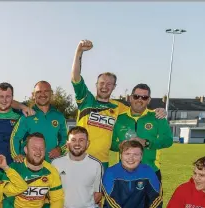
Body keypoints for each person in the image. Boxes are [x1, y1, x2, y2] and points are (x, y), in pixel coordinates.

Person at [71, 39, 166, 169]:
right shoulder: (86, 100)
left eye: (109, 84)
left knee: (99, 190)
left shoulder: (119, 107)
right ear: (96, 85)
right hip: (78, 157)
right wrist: (79, 52)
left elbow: (139, 108)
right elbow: (76, 77)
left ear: (114, 87)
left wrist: (159, 111)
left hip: (102, 161)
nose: (105, 86)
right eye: (102, 83)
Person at [111, 83, 174, 208]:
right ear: (130, 97)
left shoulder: (157, 117)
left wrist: (146, 143)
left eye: (144, 97)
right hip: (123, 175)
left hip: (150, 172)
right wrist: (125, 145)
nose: (140, 100)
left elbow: (168, 140)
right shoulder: (121, 119)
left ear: (149, 100)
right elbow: (112, 144)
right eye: (137, 96)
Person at [11, 81, 68, 163]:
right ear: (33, 95)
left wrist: (59, 149)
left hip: (53, 165)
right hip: (30, 166)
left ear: (51, 93)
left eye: (46, 91)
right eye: (39, 92)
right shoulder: (27, 115)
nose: (43, 94)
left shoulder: (59, 116)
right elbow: (15, 137)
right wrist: (16, 155)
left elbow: (65, 138)